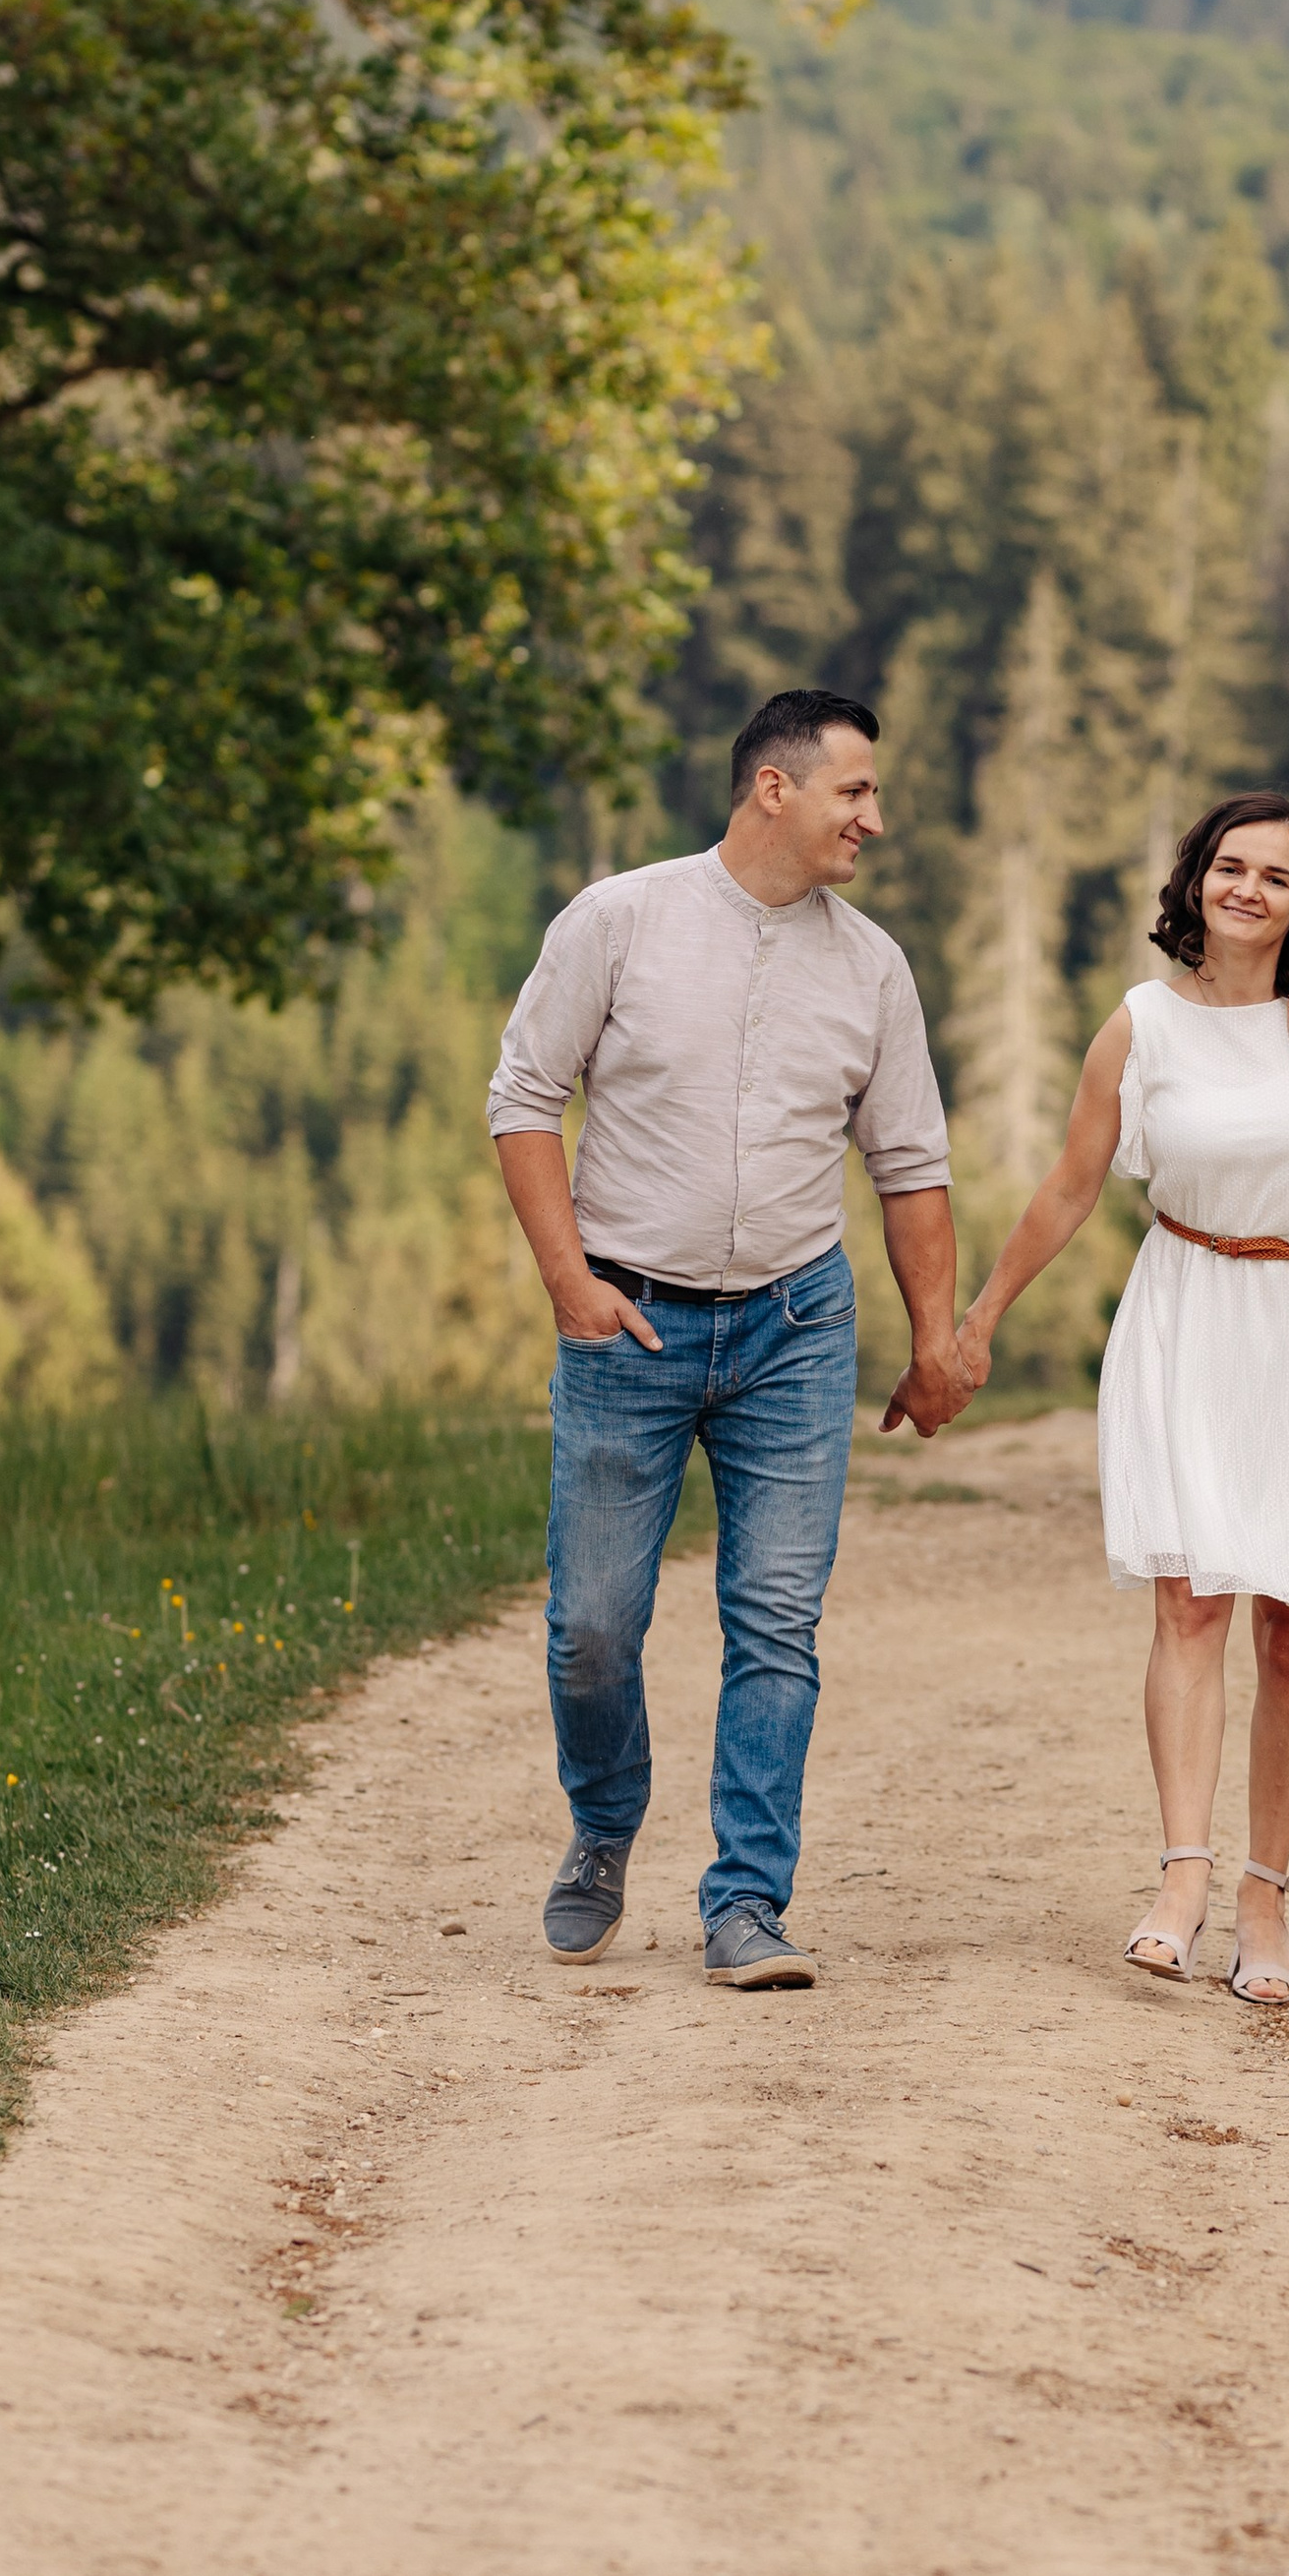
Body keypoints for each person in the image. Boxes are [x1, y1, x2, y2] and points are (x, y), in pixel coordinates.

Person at [487, 689, 972, 1991]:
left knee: (775, 1625)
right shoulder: (621, 921)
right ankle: (603, 1823)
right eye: (853, 792)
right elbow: (525, 1103)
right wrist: (568, 1283)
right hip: (626, 1323)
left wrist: (935, 1339)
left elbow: (912, 1168)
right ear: (775, 787)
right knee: (593, 1627)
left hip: (795, 1329)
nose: (875, 817)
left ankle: (747, 1902)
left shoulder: (872, 966)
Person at [955, 792, 1289, 2006]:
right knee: (1188, 1604)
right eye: (1230, 868)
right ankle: (1181, 1879)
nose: (1247, 891)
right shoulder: (1141, 1027)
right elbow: (1070, 1187)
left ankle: (1265, 1900)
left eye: (1276, 877)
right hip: (1185, 1313)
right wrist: (981, 1316)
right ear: (1197, 881)